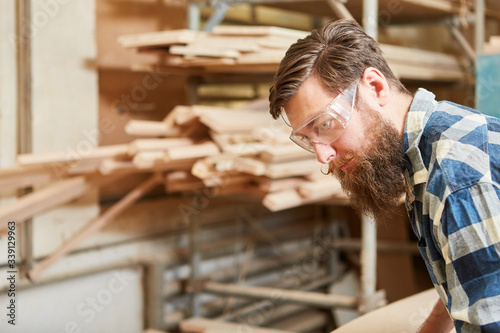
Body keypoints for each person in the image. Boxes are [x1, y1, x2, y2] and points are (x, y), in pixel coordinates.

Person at [268, 19, 500, 333]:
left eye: (325, 125)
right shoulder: (425, 145)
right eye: (309, 139)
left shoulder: (453, 176)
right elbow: (472, 272)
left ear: (376, 87)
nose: (323, 156)